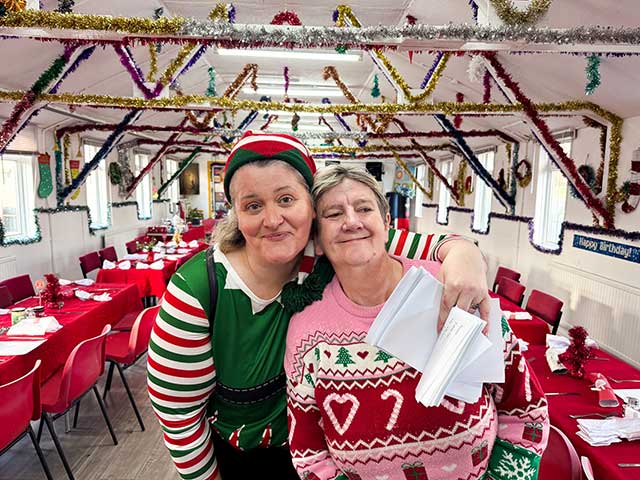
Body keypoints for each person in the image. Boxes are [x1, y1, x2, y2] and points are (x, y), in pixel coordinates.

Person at [148, 132, 491, 480]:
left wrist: (465, 254)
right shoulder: (198, 290)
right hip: (241, 458)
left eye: (286, 199)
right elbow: (178, 415)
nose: (272, 219)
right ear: (235, 213)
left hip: (323, 451)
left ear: (310, 207)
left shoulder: (323, 247)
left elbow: (404, 241)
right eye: (253, 205)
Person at [285, 165, 549, 480]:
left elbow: (524, 410)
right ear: (317, 235)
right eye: (333, 213)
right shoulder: (306, 329)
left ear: (386, 223)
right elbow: (309, 451)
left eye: (364, 208)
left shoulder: (454, 288)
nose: (351, 222)